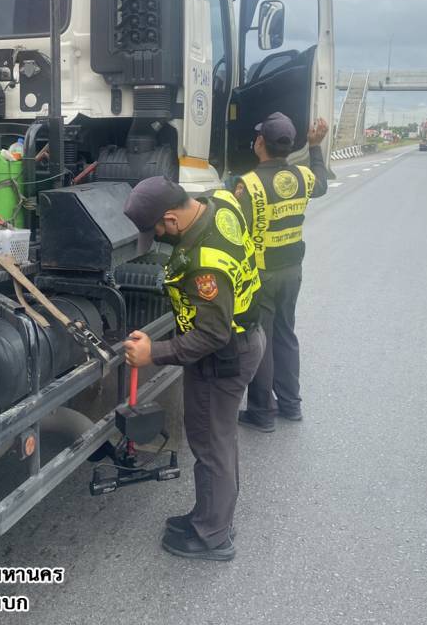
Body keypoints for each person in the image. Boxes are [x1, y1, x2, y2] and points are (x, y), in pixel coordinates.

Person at [122, 176, 264, 562]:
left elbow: (213, 335)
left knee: (212, 444)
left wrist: (154, 353)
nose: (158, 238)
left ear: (171, 218)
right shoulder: (219, 201)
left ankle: (212, 536)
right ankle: (212, 516)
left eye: (157, 230)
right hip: (240, 339)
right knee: (218, 439)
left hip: (224, 356)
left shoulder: (206, 266)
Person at [235, 112, 328, 431]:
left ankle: (262, 412)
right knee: (286, 334)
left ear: (260, 143)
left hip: (262, 275)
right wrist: (315, 147)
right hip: (292, 270)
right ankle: (290, 404)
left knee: (261, 339)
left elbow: (238, 230)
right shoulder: (303, 176)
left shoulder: (248, 184)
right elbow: (322, 184)